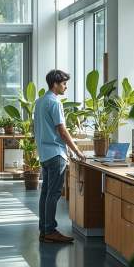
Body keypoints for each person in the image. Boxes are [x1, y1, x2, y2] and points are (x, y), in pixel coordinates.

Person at [34, 69, 86, 244]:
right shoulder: (55, 103)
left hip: (44, 153)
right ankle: (50, 230)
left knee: (46, 193)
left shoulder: (40, 101)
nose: (66, 87)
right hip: (56, 154)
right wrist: (77, 150)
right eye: (64, 83)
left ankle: (44, 229)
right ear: (55, 84)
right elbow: (62, 130)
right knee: (54, 193)